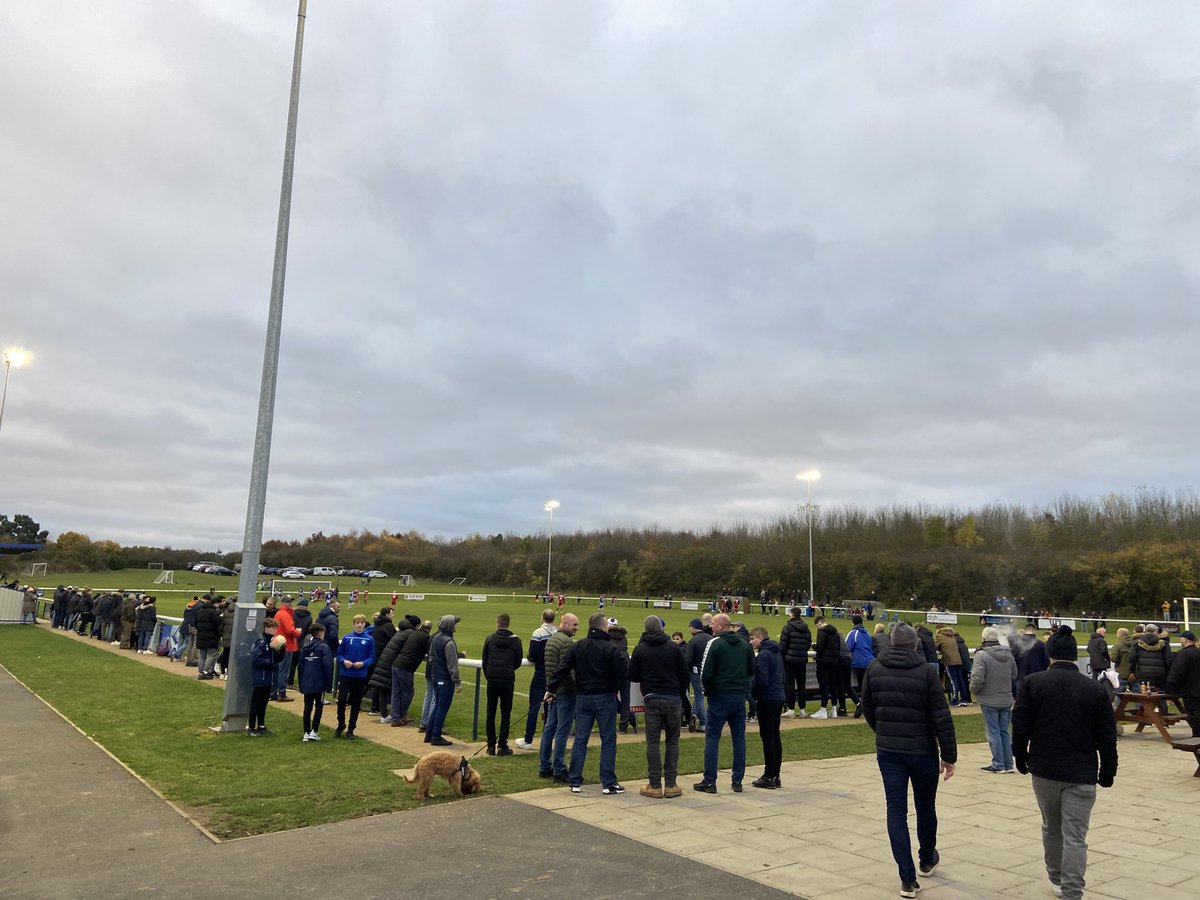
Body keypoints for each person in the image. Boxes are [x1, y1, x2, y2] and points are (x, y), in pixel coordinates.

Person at [1013, 626, 1118, 900]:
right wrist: (1108, 770)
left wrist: (1020, 755)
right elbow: (1107, 737)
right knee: (1074, 835)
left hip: (1046, 769)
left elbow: (1020, 726)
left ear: (1050, 655)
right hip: (1080, 771)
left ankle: (1058, 877)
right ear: (1074, 656)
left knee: (1052, 827)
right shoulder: (1094, 689)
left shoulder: (1033, 683)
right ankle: (1071, 888)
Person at [860, 623, 957, 900]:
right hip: (920, 749)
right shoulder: (926, 671)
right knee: (924, 806)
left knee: (897, 811)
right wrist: (948, 755)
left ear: (892, 643)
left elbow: (868, 708)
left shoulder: (875, 668)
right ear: (915, 645)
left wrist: (884, 732)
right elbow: (941, 715)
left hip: (891, 749)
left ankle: (910, 873)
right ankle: (923, 860)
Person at [544, 612, 627, 795]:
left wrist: (551, 688)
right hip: (604, 696)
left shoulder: (579, 646)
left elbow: (563, 668)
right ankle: (608, 782)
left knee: (580, 739)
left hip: (583, 697)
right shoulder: (611, 648)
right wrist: (614, 686)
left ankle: (575, 780)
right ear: (603, 627)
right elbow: (621, 672)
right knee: (608, 739)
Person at [628, 615, 689, 798]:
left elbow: (632, 675)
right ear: (661, 629)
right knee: (672, 741)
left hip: (652, 698)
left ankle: (654, 784)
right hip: (673, 698)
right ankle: (671, 784)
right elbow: (684, 674)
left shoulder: (641, 649)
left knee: (653, 742)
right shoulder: (674, 647)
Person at [693, 613, 755, 794]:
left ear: (721, 625)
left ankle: (710, 781)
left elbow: (706, 673)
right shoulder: (744, 645)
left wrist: (710, 691)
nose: (710, 627)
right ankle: (737, 780)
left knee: (712, 738)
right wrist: (743, 689)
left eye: (712, 624)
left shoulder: (715, 643)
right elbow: (751, 669)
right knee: (739, 739)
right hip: (738, 697)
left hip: (719, 696)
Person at [970, 626, 1018, 773]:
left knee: (994, 731)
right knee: (1004, 731)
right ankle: (1008, 763)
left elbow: (977, 679)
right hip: (1005, 696)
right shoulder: (1008, 654)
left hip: (989, 698)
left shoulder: (981, 655)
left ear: (984, 638)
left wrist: (973, 690)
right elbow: (1014, 675)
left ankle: (998, 764)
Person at [539, 613, 579, 782]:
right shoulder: (566, 643)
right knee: (562, 730)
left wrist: (551, 688)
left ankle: (544, 766)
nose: (577, 628)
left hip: (553, 688)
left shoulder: (552, 639)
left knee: (549, 727)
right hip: (564, 691)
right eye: (575, 625)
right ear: (565, 623)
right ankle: (559, 769)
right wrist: (574, 688)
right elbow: (567, 671)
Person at [481, 613, 524, 756]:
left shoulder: (490, 639)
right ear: (508, 624)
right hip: (507, 679)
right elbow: (517, 661)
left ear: (498, 623)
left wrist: (489, 674)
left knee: (490, 712)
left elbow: (485, 660)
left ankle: (491, 745)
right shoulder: (516, 641)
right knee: (506, 712)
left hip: (492, 679)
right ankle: (502, 745)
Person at [515, 609, 557, 751]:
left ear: (542, 618)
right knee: (550, 708)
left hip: (541, 674)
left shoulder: (538, 633)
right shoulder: (559, 633)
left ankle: (528, 740)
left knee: (534, 707)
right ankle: (548, 739)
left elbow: (533, 655)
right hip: (555, 675)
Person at [749, 624, 785, 789]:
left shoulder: (763, 654)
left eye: (753, 639)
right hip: (777, 696)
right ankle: (775, 774)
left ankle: (769, 774)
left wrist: (754, 695)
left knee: (768, 737)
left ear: (760, 638)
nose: (751, 642)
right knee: (775, 736)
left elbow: (762, 680)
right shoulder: (776, 653)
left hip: (768, 698)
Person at [424, 615, 463, 747]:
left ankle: (429, 734)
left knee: (437, 706)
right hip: (444, 679)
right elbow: (452, 665)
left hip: (435, 676)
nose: (456, 626)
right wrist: (457, 681)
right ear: (450, 626)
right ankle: (436, 736)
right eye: (455, 624)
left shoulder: (436, 638)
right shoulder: (449, 642)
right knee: (442, 707)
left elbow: (431, 657)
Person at [334, 614, 375, 739]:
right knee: (341, 701)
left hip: (360, 675)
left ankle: (351, 729)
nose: (359, 625)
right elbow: (339, 654)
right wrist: (344, 661)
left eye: (362, 622)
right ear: (354, 624)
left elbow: (372, 657)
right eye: (357, 622)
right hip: (346, 674)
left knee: (356, 702)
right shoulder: (347, 637)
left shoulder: (369, 639)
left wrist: (363, 663)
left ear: (364, 624)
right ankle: (341, 724)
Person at [297, 622, 334, 741]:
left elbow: (300, 666)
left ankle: (306, 732)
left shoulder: (305, 648)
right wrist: (329, 685)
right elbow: (328, 666)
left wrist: (301, 683)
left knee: (307, 707)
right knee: (319, 706)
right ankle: (314, 731)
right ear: (321, 633)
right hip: (320, 681)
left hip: (307, 681)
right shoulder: (324, 647)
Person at [392, 618, 431, 726]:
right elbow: (432, 651)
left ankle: (396, 717)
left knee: (396, 692)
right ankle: (400, 715)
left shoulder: (414, 634)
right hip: (406, 667)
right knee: (408, 692)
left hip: (396, 664)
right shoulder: (425, 637)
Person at [248, 618, 281, 736]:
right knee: (256, 703)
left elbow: (278, 659)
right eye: (273, 628)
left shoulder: (270, 643)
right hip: (260, 677)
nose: (275, 630)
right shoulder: (261, 642)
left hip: (267, 678)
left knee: (264, 702)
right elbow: (255, 659)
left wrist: (280, 649)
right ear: (266, 628)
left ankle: (261, 725)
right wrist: (270, 663)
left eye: (276, 628)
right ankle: (251, 727)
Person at [1165, 630, 1200, 737]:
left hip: (1189, 690)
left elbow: (1176, 672)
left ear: (1185, 640)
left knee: (1194, 715)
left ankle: (1197, 737)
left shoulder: (1183, 654)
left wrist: (1170, 688)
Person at [779, 606, 812, 719]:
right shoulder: (806, 629)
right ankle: (802, 710)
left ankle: (791, 709)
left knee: (790, 685)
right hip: (802, 660)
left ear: (792, 614)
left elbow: (783, 646)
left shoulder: (787, 628)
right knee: (802, 685)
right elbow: (808, 645)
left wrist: (781, 658)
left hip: (789, 660)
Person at [811, 616, 843, 719]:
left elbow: (820, 648)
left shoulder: (822, 632)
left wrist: (814, 646)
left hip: (823, 662)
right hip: (834, 662)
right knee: (833, 685)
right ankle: (834, 710)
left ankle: (823, 709)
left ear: (819, 624)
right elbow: (838, 648)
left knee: (824, 686)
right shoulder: (836, 633)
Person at [272, 596, 301, 702]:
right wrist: (298, 632)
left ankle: (273, 692)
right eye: (288, 602)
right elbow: (290, 630)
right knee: (284, 671)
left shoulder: (279, 613)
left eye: (291, 601)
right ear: (283, 603)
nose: (290, 604)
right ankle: (282, 693)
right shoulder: (285, 614)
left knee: (277, 670)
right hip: (286, 645)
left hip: (279, 644)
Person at [686, 618, 713, 731]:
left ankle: (703, 722)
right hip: (709, 671)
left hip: (696, 671)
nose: (689, 629)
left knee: (699, 696)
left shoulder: (693, 640)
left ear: (694, 627)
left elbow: (688, 659)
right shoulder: (711, 639)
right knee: (701, 694)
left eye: (690, 626)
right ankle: (694, 713)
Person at [1129, 624, 1172, 695]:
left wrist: (1131, 671)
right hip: (1160, 675)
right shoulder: (1164, 644)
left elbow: (1132, 659)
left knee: (1144, 696)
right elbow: (1168, 660)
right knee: (1160, 696)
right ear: (1156, 632)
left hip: (1142, 674)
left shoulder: (1137, 644)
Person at [935, 625, 967, 706]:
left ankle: (955, 699)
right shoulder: (952, 635)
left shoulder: (939, 636)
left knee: (953, 681)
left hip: (949, 660)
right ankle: (964, 699)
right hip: (958, 660)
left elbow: (935, 647)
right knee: (960, 680)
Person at [193, 594, 222, 680]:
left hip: (201, 636)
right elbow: (217, 623)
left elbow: (195, 623)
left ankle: (201, 672)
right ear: (214, 603)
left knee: (202, 656)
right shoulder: (214, 612)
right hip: (211, 636)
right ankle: (205, 671)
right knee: (212, 654)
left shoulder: (200, 611)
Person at [1110, 627, 1133, 693]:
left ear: (1121, 635)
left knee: (1120, 694)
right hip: (1133, 673)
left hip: (1122, 672)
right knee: (1137, 694)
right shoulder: (1134, 644)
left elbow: (1113, 659)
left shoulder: (1118, 645)